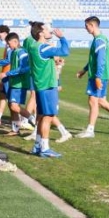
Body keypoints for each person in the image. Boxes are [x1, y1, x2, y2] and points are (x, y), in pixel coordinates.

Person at [24, 22, 70, 158]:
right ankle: (45, 147)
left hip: (40, 86)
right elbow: (65, 51)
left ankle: (37, 145)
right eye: (46, 29)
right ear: (40, 33)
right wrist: (62, 38)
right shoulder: (43, 48)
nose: (50, 31)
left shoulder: (34, 46)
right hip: (47, 86)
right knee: (48, 117)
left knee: (42, 116)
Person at [0, 32, 35, 137]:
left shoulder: (22, 52)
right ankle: (15, 129)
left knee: (14, 106)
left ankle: (33, 120)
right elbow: (7, 62)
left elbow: (24, 68)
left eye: (9, 43)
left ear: (15, 41)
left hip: (19, 83)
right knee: (11, 105)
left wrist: (6, 73)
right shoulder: (14, 52)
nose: (8, 46)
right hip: (14, 82)